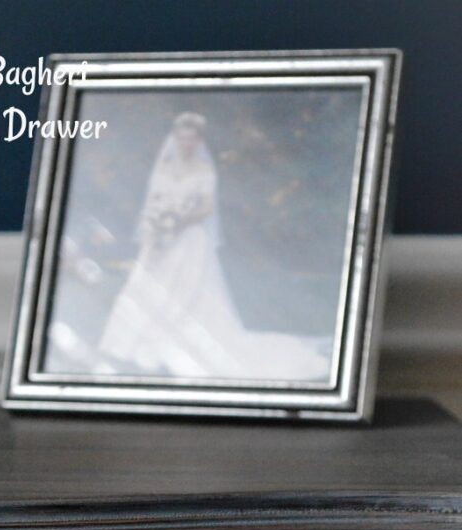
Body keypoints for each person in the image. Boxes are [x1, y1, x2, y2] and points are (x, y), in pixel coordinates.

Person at [95, 111, 330, 383]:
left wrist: (179, 222)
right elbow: (154, 202)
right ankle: (139, 345)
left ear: (197, 141)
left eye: (191, 139)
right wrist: (157, 226)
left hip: (191, 239)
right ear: (175, 139)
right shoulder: (164, 167)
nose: (186, 144)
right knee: (150, 284)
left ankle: (181, 343)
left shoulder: (203, 169)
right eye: (182, 139)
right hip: (161, 240)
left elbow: (207, 208)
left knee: (190, 288)